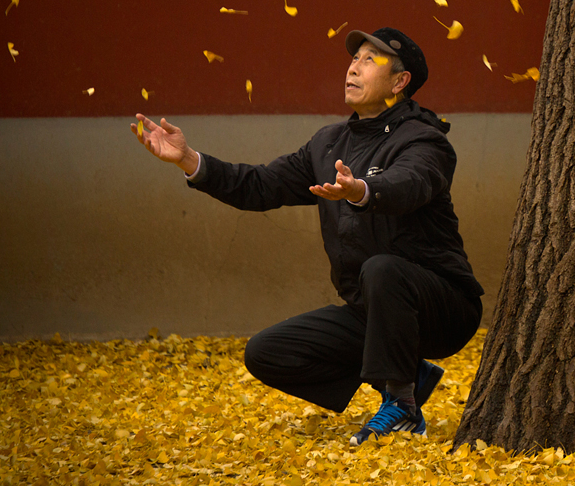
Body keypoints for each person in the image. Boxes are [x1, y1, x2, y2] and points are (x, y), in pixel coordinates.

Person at [132, 27, 483, 445]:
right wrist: (190, 161)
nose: (353, 66)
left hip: (442, 306)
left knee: (383, 269)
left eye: (370, 60)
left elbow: (412, 183)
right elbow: (260, 185)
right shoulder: (328, 143)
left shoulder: (425, 140)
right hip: (373, 314)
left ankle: (404, 405)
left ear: (399, 82)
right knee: (266, 352)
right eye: (354, 59)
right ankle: (402, 370)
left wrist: (364, 192)